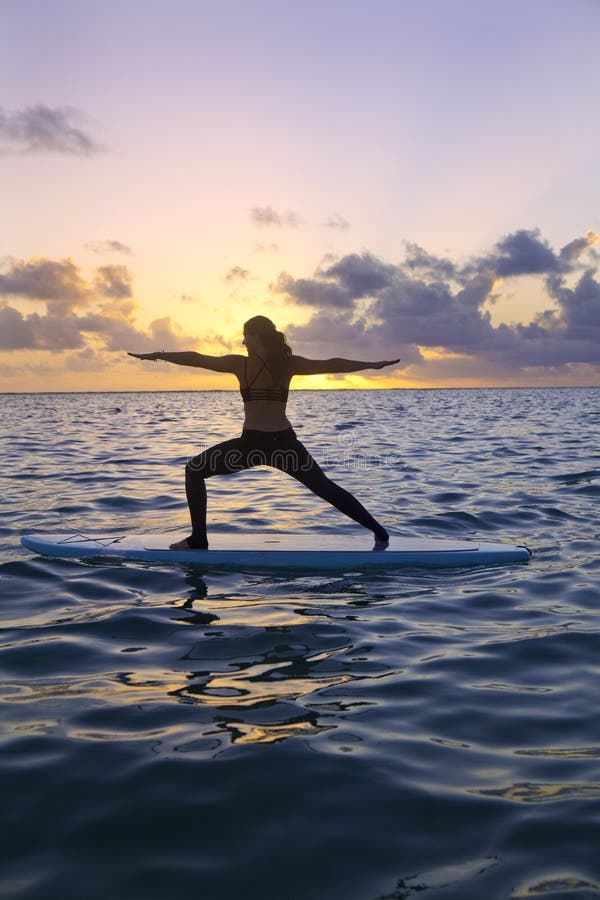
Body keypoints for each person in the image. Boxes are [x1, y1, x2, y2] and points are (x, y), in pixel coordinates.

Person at [128, 315, 399, 550]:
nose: (243, 343)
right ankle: (379, 531)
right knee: (326, 489)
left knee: (193, 470)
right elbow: (332, 364)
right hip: (283, 444)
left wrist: (158, 355)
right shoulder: (287, 364)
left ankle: (199, 539)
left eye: (246, 337)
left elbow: (196, 359)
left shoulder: (242, 365)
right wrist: (371, 365)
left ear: (256, 336)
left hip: (253, 446)